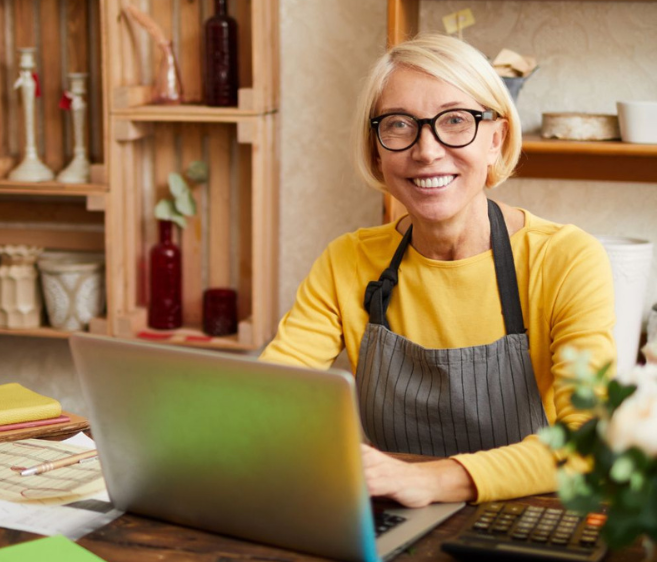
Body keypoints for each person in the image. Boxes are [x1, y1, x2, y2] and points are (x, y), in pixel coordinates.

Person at [260, 34, 615, 507]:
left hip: (523, 519)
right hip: (394, 518)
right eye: (399, 125)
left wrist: (429, 481)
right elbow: (269, 399)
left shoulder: (565, 259)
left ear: (495, 139)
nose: (426, 151)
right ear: (376, 151)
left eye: (455, 120)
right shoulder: (347, 261)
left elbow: (588, 442)